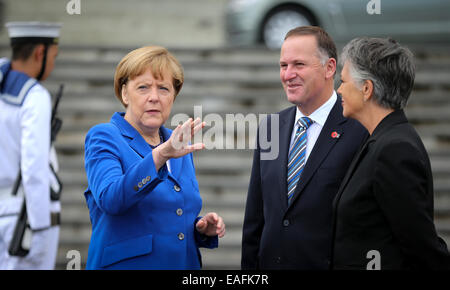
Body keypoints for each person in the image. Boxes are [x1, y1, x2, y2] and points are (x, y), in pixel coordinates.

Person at [84, 46, 225, 270]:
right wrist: (159, 155)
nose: (154, 98)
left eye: (163, 89)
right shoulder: (104, 136)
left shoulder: (176, 142)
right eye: (143, 88)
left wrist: (199, 228)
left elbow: (172, 215)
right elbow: (111, 199)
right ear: (124, 93)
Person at [241, 26, 368, 269]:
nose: (288, 75)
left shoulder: (359, 129)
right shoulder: (270, 127)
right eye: (283, 65)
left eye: (299, 64)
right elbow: (255, 220)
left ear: (330, 68)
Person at [331, 37, 450, 270]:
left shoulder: (394, 149)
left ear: (366, 89)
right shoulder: (382, 139)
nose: (339, 89)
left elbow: (420, 245)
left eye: (343, 81)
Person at [0, 22, 62, 269]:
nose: (52, 64)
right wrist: (39, 229)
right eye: (53, 57)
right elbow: (34, 167)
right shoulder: (34, 96)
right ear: (40, 53)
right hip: (22, 216)